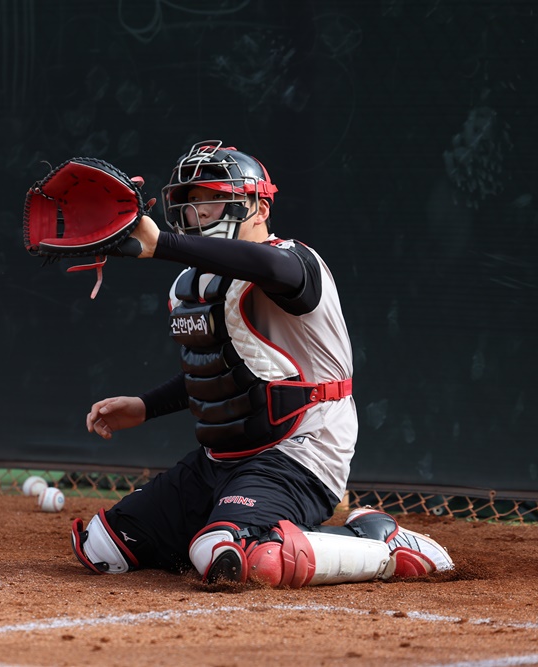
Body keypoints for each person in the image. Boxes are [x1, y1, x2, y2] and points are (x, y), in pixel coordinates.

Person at [70, 140, 455, 588]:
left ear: (258, 206)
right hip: (221, 459)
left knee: (249, 560)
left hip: (299, 452)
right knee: (105, 546)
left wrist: (163, 245)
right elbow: (221, 370)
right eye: (190, 202)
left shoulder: (294, 261)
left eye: (213, 199)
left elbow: (266, 267)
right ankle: (226, 526)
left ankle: (380, 544)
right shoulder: (188, 286)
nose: (199, 213)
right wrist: (145, 405)